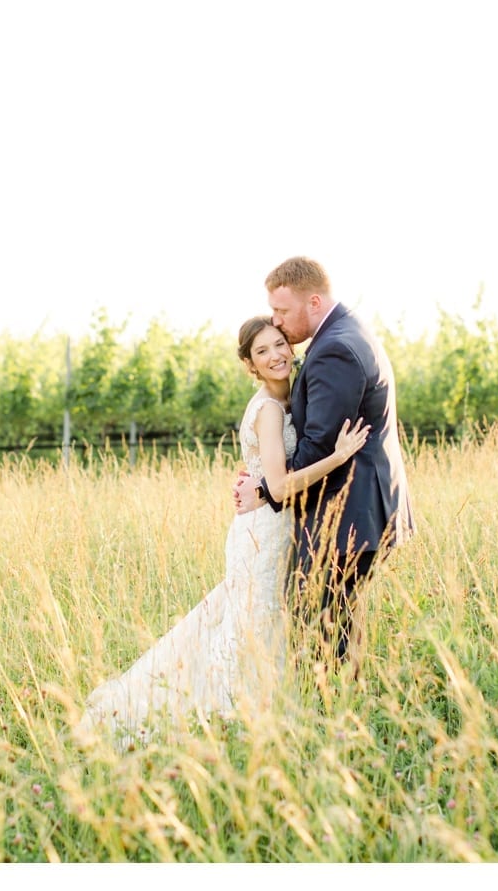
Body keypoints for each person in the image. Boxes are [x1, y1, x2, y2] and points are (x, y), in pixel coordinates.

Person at [78, 316, 369, 735]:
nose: (275, 356)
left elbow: (267, 471)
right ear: (250, 364)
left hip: (269, 524)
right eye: (262, 352)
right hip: (264, 533)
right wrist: (339, 457)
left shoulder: (287, 398)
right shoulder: (269, 410)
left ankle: (255, 710)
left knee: (250, 620)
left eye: (278, 345)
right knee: (256, 623)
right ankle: (232, 712)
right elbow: (282, 486)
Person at [233, 256, 416, 670]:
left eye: (282, 312)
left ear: (313, 302)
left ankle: (334, 715)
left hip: (347, 515)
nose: (277, 323)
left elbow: (319, 444)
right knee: (332, 628)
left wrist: (264, 488)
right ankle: (339, 710)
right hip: (351, 510)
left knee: (322, 632)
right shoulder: (344, 332)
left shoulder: (334, 348)